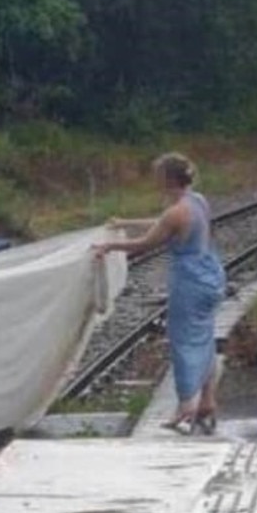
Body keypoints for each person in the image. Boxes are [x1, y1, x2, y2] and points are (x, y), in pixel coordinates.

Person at [93, 152, 226, 435]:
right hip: (211, 276)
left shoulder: (176, 212)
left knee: (184, 343)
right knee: (204, 340)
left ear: (168, 179)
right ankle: (207, 401)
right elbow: (161, 223)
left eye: (158, 176)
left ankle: (185, 407)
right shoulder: (198, 201)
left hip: (189, 282)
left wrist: (110, 247)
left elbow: (147, 242)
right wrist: (126, 222)